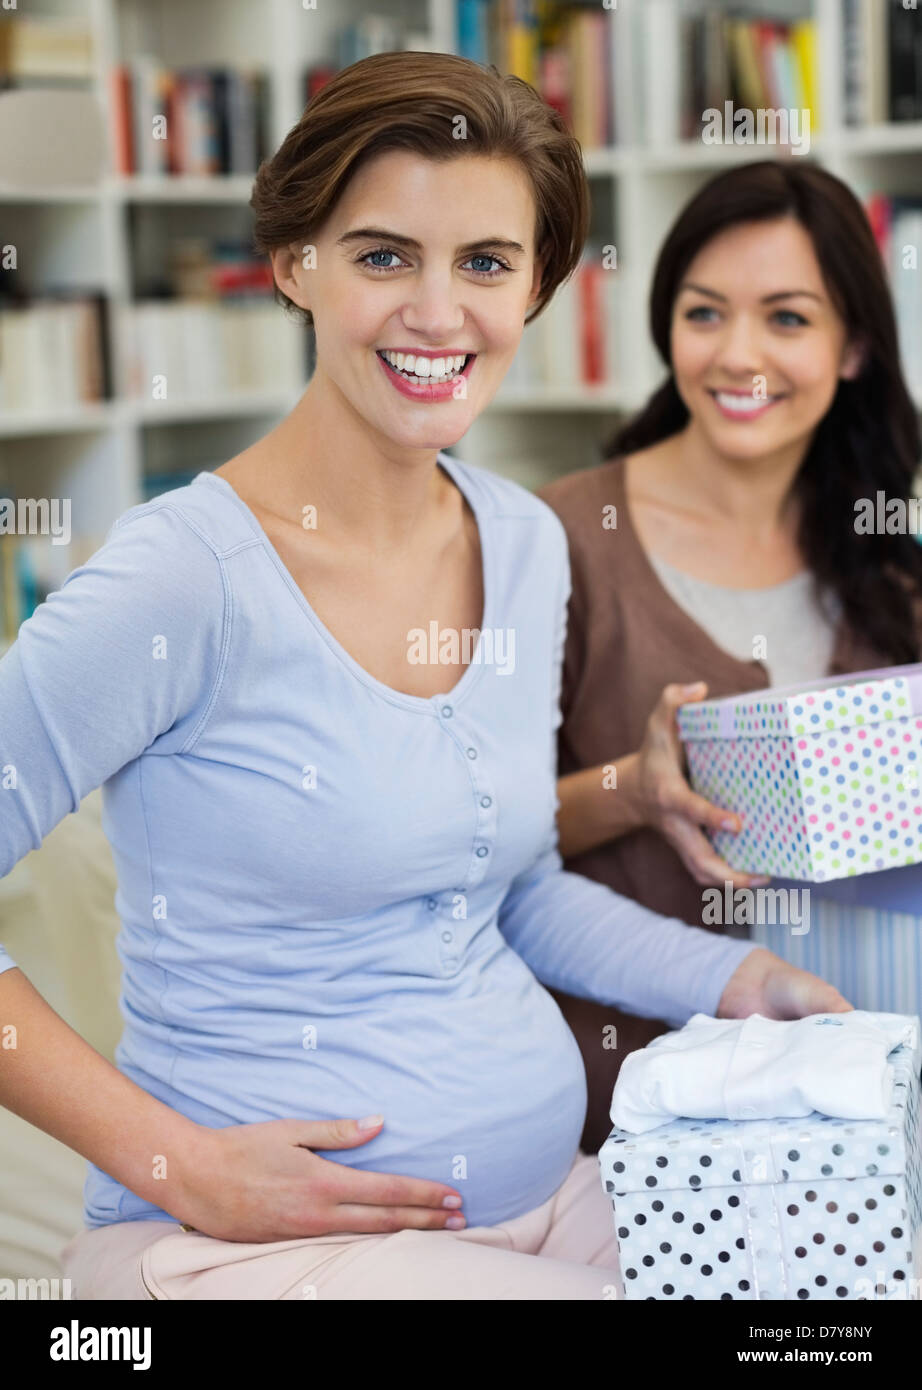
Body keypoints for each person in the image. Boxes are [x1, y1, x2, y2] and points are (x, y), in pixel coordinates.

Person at [0, 59, 847, 1302]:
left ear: (540, 288)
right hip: (249, 1246)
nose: (438, 313)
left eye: (487, 264)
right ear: (295, 265)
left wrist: (737, 981)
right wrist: (177, 1163)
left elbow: (508, 890)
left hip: (549, 1200)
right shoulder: (183, 582)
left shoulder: (523, 542)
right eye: (384, 256)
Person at [539, 160, 922, 1154]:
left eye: (788, 318)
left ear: (853, 348)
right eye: (705, 314)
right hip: (636, 1107)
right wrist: (636, 787)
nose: (739, 354)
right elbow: (472, 835)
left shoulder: (891, 553)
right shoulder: (563, 539)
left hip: (857, 1103)